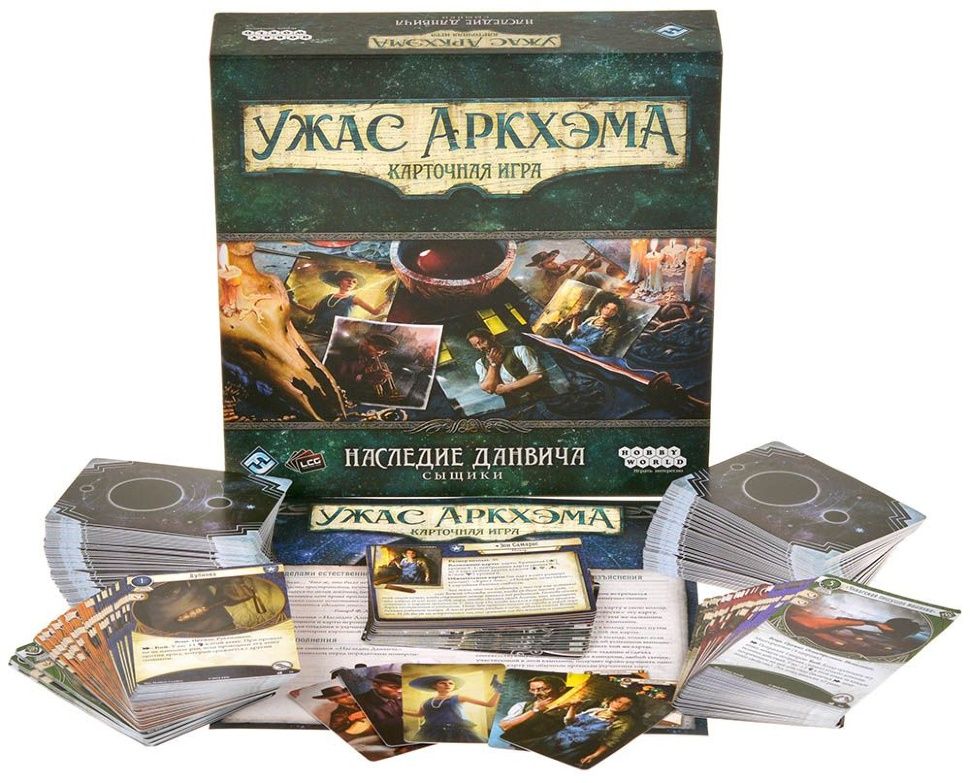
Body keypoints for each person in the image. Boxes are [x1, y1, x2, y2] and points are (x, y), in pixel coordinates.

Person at [522, 693, 639, 768]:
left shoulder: (624, 722)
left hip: (572, 748)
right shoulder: (595, 710)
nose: (619, 705)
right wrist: (573, 707)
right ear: (611, 700)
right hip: (555, 738)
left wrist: (594, 755)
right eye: (618, 701)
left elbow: (610, 742)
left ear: (630, 708)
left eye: (626, 705)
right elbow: (569, 722)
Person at [291, 269, 391, 336]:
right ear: (340, 281)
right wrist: (295, 303)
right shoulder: (326, 297)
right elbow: (311, 311)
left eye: (354, 282)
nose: (351, 283)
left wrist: (388, 300)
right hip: (314, 329)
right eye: (348, 280)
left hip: (333, 332)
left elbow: (375, 312)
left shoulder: (354, 299)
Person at [405, 674, 500, 743]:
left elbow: (490, 704)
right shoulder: (426, 702)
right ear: (434, 686)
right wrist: (402, 711)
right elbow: (419, 714)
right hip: (430, 732)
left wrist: (498, 691)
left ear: (453, 686)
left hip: (457, 731)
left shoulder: (459, 697)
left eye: (450, 683)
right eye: (442, 683)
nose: (447, 685)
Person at [467, 329, 551, 407]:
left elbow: (538, 375)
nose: (480, 347)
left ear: (492, 338)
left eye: (482, 342)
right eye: (475, 345)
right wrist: (493, 365)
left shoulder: (520, 350)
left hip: (543, 400)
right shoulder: (480, 363)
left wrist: (508, 387)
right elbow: (489, 388)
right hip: (516, 408)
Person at [495, 675, 569, 745]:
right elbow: (504, 726)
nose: (536, 694)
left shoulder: (569, 710)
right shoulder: (522, 706)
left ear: (561, 689)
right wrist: (535, 710)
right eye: (533, 690)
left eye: (544, 689)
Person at [328, 332, 401, 402]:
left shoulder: (373, 361)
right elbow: (338, 379)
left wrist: (382, 381)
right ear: (364, 342)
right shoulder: (343, 354)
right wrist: (365, 377)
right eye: (378, 348)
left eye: (385, 351)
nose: (380, 353)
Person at [354, 672, 407, 745]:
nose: (401, 691)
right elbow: (373, 728)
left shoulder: (401, 696)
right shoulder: (360, 701)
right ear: (376, 686)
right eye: (394, 687)